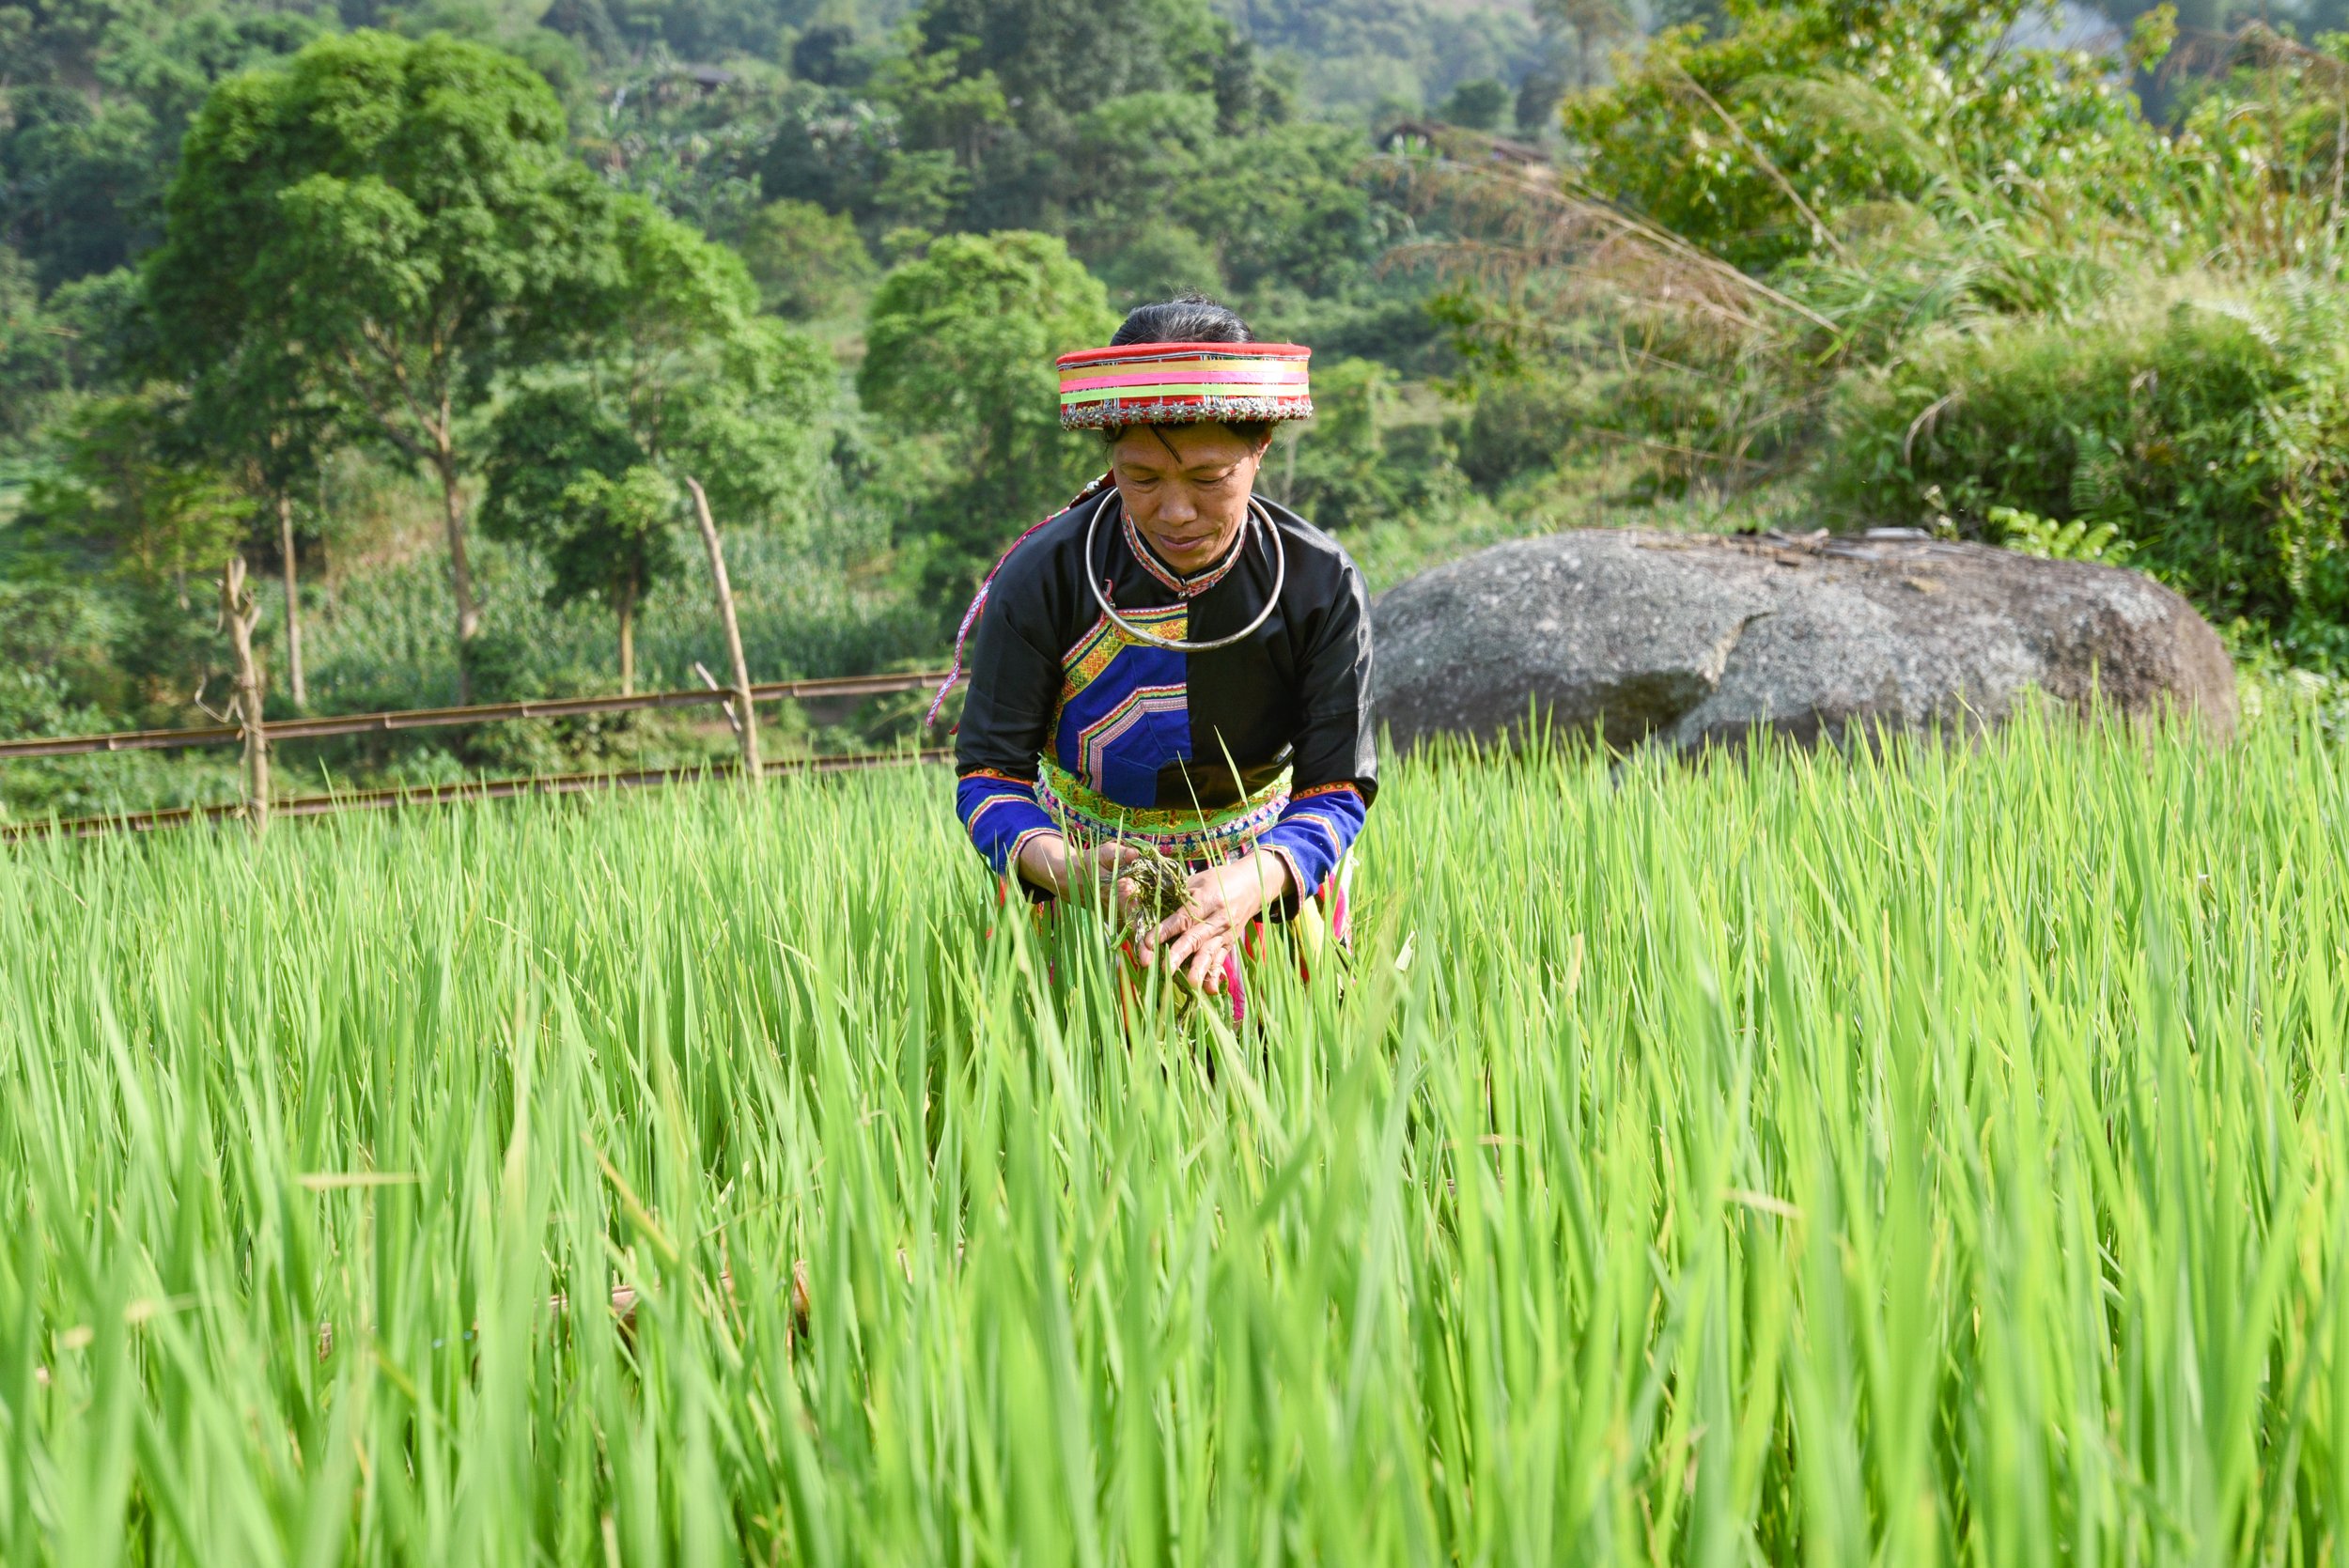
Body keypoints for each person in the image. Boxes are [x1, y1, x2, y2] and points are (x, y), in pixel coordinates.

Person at [939, 297, 1377, 1012]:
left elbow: (1337, 785)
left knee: (1285, 1091)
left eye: (1208, 478)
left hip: (1266, 883)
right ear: (1109, 454)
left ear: (1260, 443)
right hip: (1082, 892)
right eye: (1141, 478)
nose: (1175, 510)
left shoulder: (1319, 583)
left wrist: (1255, 879)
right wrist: (1069, 869)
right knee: (1080, 1096)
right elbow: (989, 776)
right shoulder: (1042, 577)